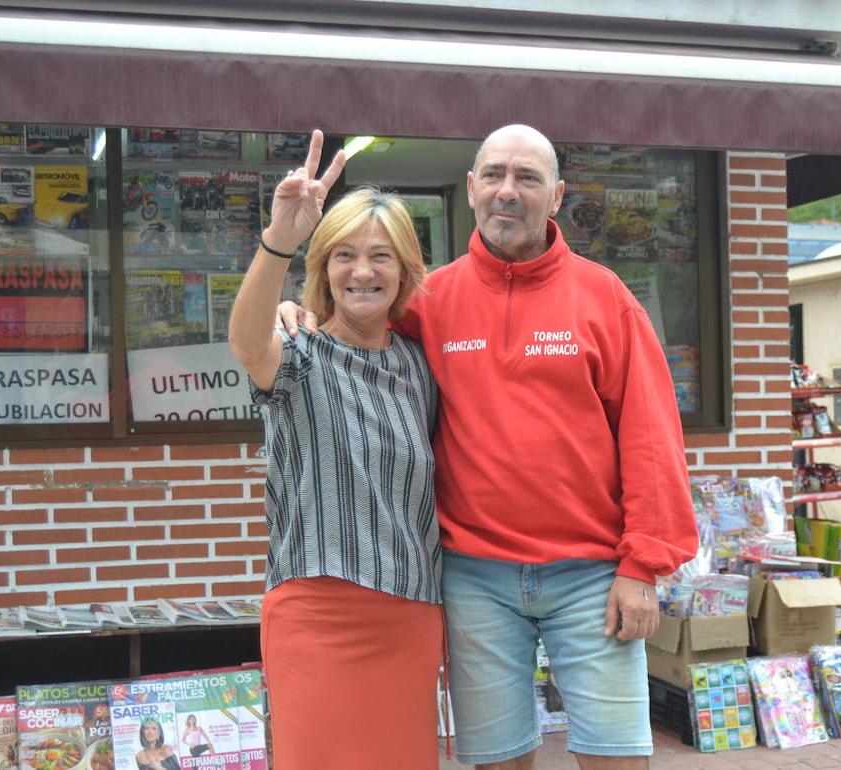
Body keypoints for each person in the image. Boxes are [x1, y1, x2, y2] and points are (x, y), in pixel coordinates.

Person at [280, 124, 697, 768]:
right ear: (471, 189)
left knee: (618, 759)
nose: (509, 191)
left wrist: (643, 567)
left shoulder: (605, 298)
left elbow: (651, 439)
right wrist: (293, 311)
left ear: (556, 196)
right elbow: (351, 312)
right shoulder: (428, 300)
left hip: (592, 575)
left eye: (527, 178)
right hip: (474, 574)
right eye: (495, 175)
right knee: (499, 761)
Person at [229, 130, 442, 770]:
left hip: (411, 611)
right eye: (344, 254)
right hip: (317, 614)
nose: (363, 270)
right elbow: (245, 343)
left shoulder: (417, 366)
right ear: (323, 269)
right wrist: (280, 242)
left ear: (405, 270)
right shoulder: (298, 354)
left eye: (381, 256)